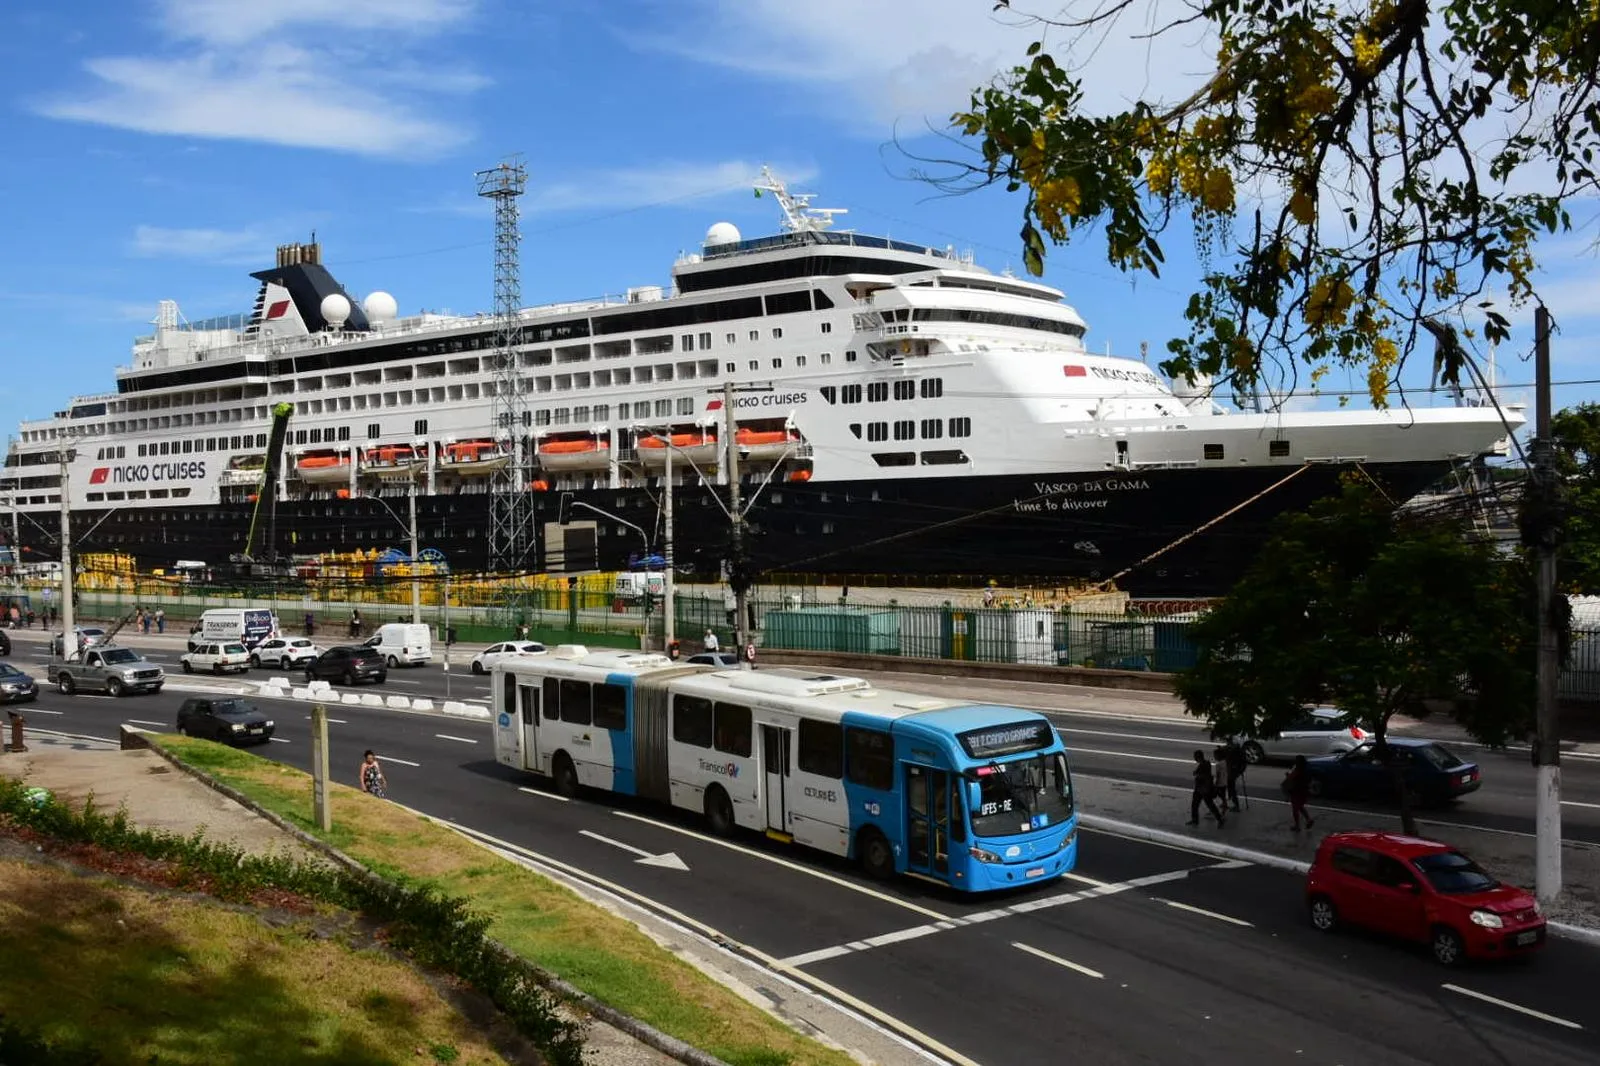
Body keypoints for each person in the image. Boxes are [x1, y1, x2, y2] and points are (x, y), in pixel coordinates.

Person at [1188, 749, 1226, 827]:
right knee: (1208, 805)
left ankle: (1195, 820)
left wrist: (1197, 774)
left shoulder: (1203, 765)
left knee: (1199, 805)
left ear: (1197, 757)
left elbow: (1203, 776)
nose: (1194, 758)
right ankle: (1219, 819)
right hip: (1204, 789)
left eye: (1195, 757)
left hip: (1202, 789)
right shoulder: (1207, 763)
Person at [1285, 755, 1316, 831]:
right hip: (1304, 791)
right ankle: (1308, 820)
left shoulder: (1298, 770)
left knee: (1295, 809)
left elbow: (1291, 778)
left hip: (1297, 791)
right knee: (1300, 807)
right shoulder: (1306, 770)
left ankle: (1297, 826)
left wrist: (1288, 775)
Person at [1223, 739, 1248, 811]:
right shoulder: (1239, 750)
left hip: (1232, 772)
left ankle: (1235, 804)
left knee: (1230, 787)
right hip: (1234, 771)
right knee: (1230, 786)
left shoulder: (1232, 751)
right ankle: (1230, 800)